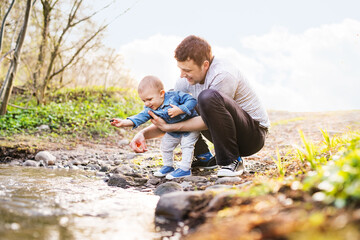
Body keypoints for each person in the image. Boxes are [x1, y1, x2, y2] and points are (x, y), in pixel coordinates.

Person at [129, 35, 270, 177]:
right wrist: (143, 134)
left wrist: (170, 128)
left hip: (252, 135)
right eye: (181, 69)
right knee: (182, 107)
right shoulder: (183, 81)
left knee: (207, 98)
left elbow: (209, 119)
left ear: (205, 65)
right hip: (223, 132)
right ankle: (204, 158)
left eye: (188, 70)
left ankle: (232, 160)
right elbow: (170, 117)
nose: (183, 75)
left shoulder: (223, 74)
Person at [111, 75, 199, 179]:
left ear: (161, 93)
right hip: (173, 130)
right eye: (144, 101)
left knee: (186, 145)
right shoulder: (151, 108)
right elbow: (140, 117)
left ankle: (185, 169)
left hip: (189, 126)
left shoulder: (174, 96)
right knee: (165, 145)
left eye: (149, 99)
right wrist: (124, 122)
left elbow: (192, 100)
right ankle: (168, 166)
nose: (147, 103)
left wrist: (181, 109)